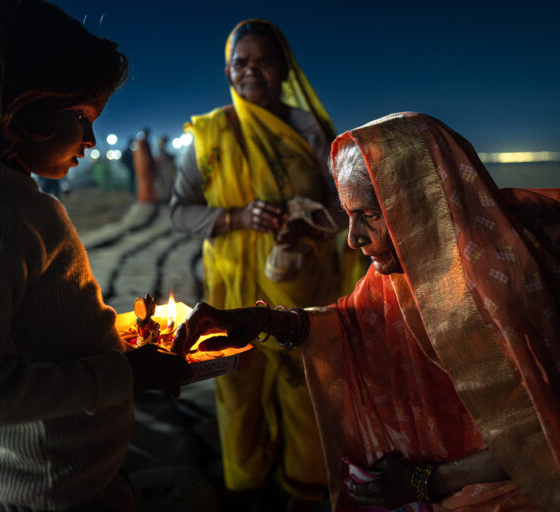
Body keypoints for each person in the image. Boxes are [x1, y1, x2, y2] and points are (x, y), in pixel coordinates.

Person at [173, 112, 560, 511]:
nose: (354, 239)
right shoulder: (411, 264)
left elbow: (552, 430)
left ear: (420, 205)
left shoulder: (511, 283)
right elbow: (356, 327)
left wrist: (427, 481)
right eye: (347, 216)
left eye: (368, 218)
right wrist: (261, 320)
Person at [0, 1, 188, 510]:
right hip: (46, 493)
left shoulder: (13, 202)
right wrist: (127, 376)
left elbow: (35, 328)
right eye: (81, 117)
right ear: (21, 108)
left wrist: (115, 335)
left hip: (71, 474)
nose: (91, 139)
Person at [169, 18, 363, 511]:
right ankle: (245, 485)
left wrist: (310, 225)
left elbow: (344, 205)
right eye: (241, 63)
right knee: (237, 384)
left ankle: (304, 486)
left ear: (283, 69)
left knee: (303, 383)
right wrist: (237, 216)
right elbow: (180, 210)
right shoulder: (209, 135)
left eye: (263, 61)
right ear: (228, 71)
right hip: (231, 283)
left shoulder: (308, 129)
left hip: (300, 281)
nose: (251, 71)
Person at [132, 127, 158, 204]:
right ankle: (145, 198)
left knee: (148, 183)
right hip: (144, 168)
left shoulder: (144, 143)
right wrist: (147, 166)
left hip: (146, 167)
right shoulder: (141, 143)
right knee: (144, 183)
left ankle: (148, 197)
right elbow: (142, 157)